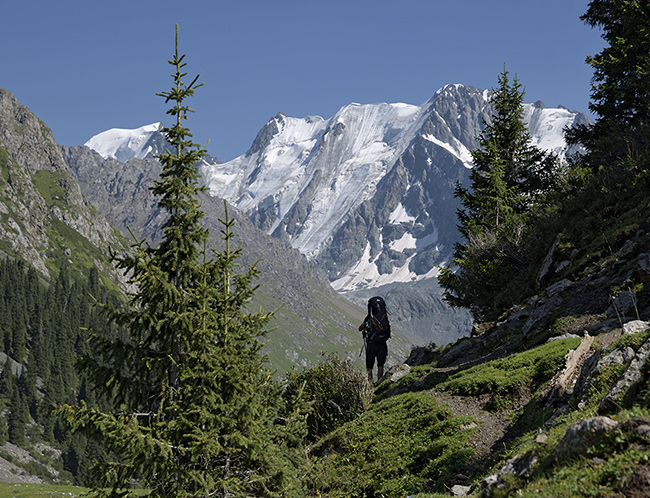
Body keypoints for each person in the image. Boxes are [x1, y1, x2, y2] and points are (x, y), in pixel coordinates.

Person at [359, 296, 390, 383]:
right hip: (382, 342)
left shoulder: (369, 317)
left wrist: (364, 324)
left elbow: (360, 328)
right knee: (380, 365)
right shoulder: (384, 316)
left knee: (369, 366)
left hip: (371, 343)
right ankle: (379, 382)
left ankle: (369, 384)